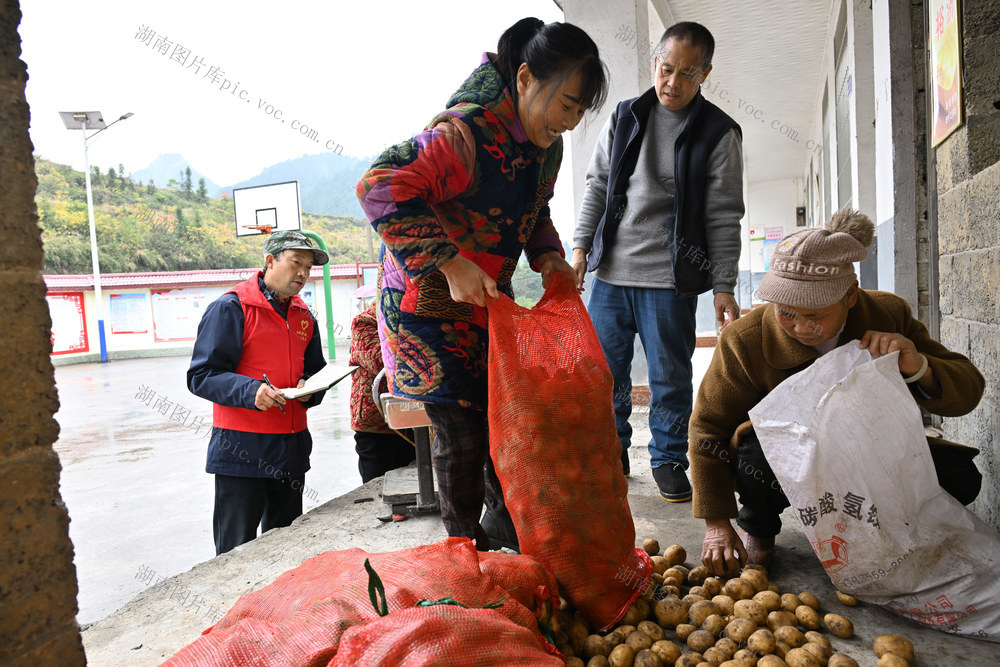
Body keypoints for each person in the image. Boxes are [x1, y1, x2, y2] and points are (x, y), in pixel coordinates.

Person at [356, 18, 608, 551]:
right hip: (425, 303)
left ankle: (508, 541)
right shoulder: (463, 135)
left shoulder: (547, 146)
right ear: (525, 79)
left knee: (504, 423)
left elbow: (534, 210)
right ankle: (465, 555)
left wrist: (548, 255)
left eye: (580, 111)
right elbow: (379, 186)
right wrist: (449, 263)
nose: (570, 122)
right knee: (463, 432)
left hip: (486, 298)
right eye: (566, 104)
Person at [691, 209, 985, 575]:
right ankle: (759, 528)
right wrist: (717, 524)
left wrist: (918, 365)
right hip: (789, 462)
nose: (802, 328)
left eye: (815, 315)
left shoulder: (887, 314)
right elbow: (708, 428)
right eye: (787, 313)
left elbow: (968, 388)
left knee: (959, 476)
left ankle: (889, 525)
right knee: (753, 449)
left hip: (872, 449)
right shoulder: (744, 340)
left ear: (850, 296)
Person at [571, 21, 745, 502]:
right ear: (655, 63)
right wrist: (580, 249)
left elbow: (723, 214)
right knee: (605, 375)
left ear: (705, 74)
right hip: (610, 275)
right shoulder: (625, 116)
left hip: (670, 280)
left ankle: (668, 460)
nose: (672, 82)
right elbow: (598, 185)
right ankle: (612, 453)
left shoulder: (719, 133)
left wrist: (724, 286)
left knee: (669, 379)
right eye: (666, 69)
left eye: (687, 73)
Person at [187, 231, 330, 555]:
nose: (303, 273)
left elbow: (315, 372)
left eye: (308, 268)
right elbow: (201, 375)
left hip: (291, 449)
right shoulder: (231, 308)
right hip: (241, 450)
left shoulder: (304, 316)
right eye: (296, 263)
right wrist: (250, 390)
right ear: (270, 261)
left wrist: (309, 389)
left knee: (286, 548)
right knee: (236, 553)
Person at [349, 300, 415, 483]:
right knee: (378, 482)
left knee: (411, 480)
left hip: (410, 420)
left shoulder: (411, 319)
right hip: (376, 424)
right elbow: (380, 361)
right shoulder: (364, 322)